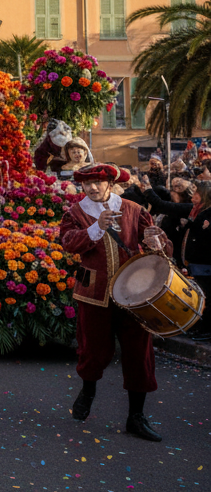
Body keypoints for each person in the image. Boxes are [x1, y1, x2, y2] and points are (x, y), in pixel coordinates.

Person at [59, 163, 170, 442]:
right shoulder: (76, 212)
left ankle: (136, 416)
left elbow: (159, 241)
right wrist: (96, 227)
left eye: (98, 182)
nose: (93, 188)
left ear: (110, 183)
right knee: (93, 351)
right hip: (93, 294)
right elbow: (69, 242)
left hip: (133, 295)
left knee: (139, 353)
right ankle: (88, 390)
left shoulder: (133, 209)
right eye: (87, 184)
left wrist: (157, 243)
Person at [178, 181, 211, 341]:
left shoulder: (207, 214)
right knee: (200, 296)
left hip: (204, 263)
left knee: (205, 297)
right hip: (195, 262)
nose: (193, 195)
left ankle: (205, 329)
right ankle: (198, 327)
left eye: (196, 192)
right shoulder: (196, 212)